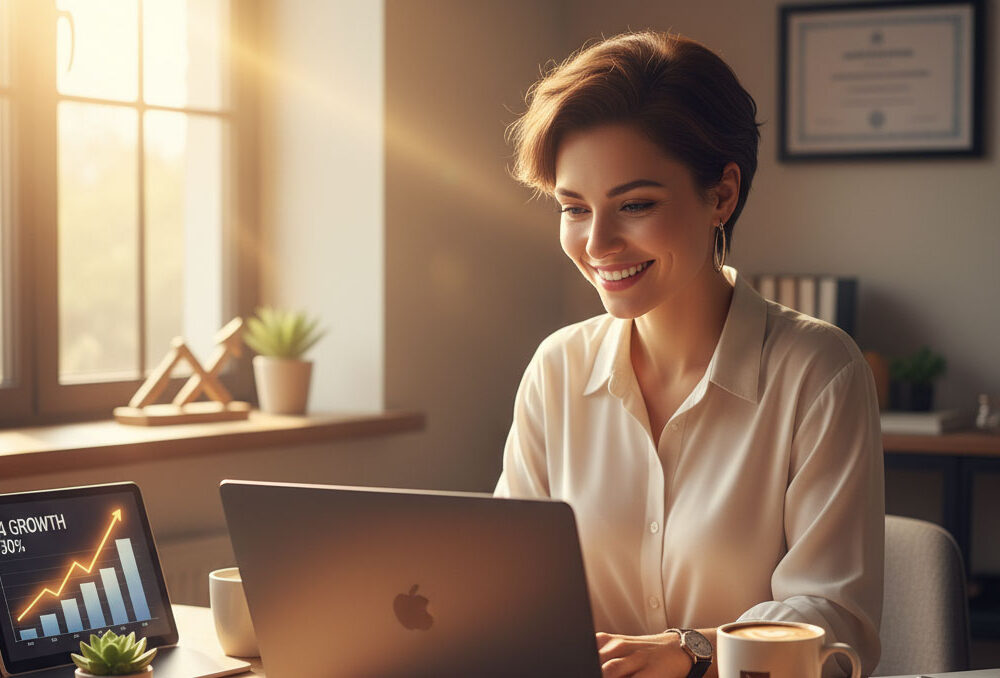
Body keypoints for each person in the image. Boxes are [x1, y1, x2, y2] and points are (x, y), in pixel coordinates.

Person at [495, 30, 884, 678]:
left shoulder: (819, 372)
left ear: (722, 195)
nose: (597, 242)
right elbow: (501, 575)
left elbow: (837, 624)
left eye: (636, 204)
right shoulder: (557, 368)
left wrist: (690, 648)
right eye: (574, 208)